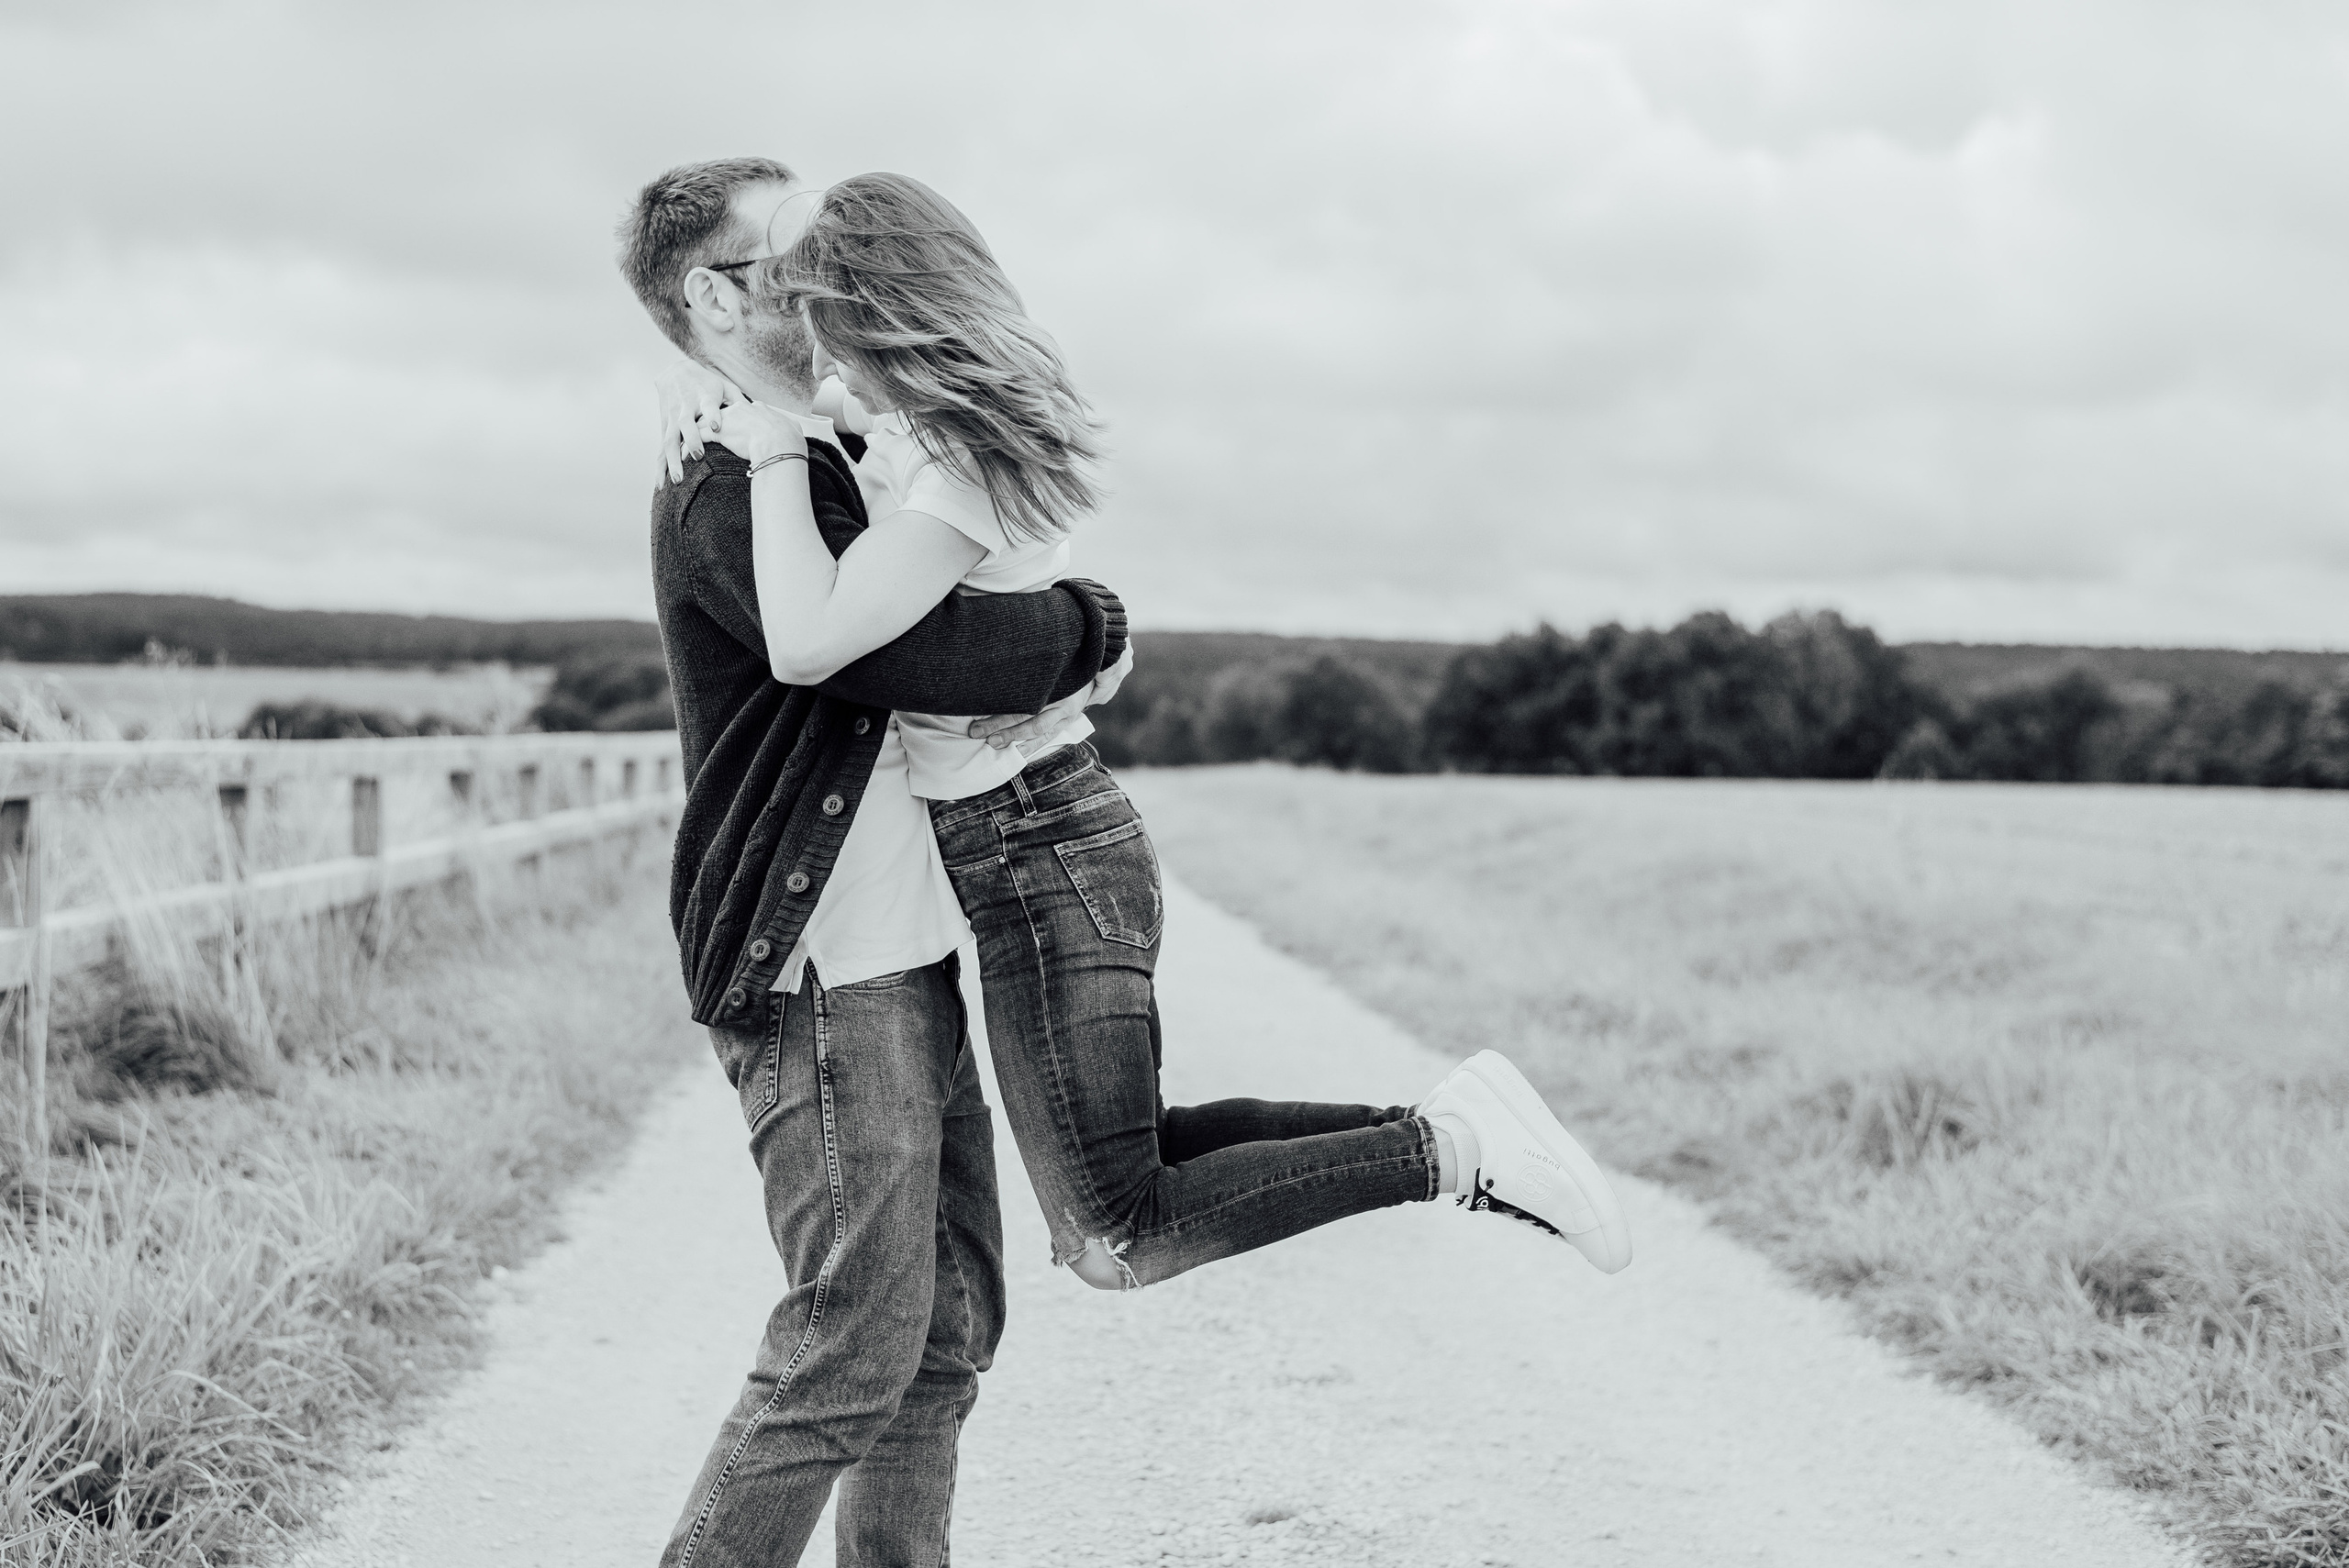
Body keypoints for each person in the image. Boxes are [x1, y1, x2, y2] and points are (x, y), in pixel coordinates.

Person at [657, 172, 1633, 1296]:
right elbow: (834, 429)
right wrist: (693, 381)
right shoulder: (916, 430)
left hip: (1042, 846)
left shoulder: (957, 457)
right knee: (1140, 1154)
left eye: (811, 299)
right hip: (1035, 842)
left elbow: (811, 641)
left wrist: (771, 443)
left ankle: (1449, 1152)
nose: (804, 332)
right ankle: (1455, 1125)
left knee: (1117, 1232)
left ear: (872, 309)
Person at [617, 157, 1132, 1568]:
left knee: (943, 1337)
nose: (827, 267)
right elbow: (910, 654)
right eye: (789, 255)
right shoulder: (728, 477)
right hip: (820, 969)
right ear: (716, 293)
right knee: (849, 1349)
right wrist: (1090, 627)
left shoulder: (822, 440)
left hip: (898, 954)